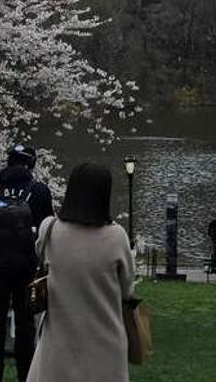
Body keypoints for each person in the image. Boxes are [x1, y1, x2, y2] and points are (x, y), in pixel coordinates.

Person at [28, 163, 137, 382]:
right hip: (105, 346)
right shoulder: (116, 238)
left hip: (58, 344)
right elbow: (127, 290)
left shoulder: (50, 230)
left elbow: (40, 251)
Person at [0, 144, 54, 382]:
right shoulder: (40, 191)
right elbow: (47, 230)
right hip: (27, 267)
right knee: (25, 322)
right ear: (30, 164)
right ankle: (26, 374)